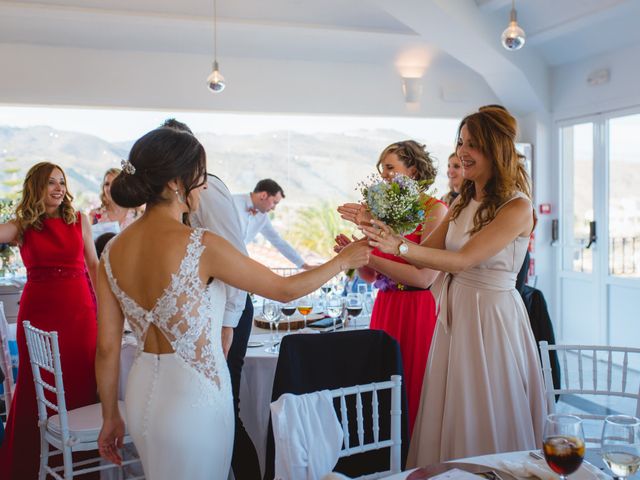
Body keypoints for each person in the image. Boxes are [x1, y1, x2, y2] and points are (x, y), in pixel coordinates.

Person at [95, 127, 370, 480]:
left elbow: (106, 348)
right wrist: (342, 261)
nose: (204, 186)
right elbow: (284, 290)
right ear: (177, 182)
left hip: (141, 394)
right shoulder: (201, 245)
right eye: (200, 176)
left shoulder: (113, 251)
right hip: (195, 399)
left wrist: (109, 417)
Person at [361, 107, 547, 464]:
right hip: (456, 312)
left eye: (473, 144)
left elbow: (462, 260)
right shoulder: (463, 202)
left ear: (496, 150)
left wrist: (396, 245)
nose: (463, 151)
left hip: (492, 317)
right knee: (453, 403)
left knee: (486, 402)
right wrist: (378, 232)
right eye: (461, 142)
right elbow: (422, 256)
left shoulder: (517, 208)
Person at [162, 116, 262, 479]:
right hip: (199, 313)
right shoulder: (170, 195)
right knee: (204, 409)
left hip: (227, 310)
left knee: (224, 408)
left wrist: (227, 324)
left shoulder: (208, 189)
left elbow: (235, 260)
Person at [335, 140, 447, 433]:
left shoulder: (436, 211)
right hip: (385, 307)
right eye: (381, 169)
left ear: (413, 169)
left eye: (389, 167)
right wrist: (355, 257)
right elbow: (373, 278)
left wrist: (369, 255)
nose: (383, 175)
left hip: (418, 310)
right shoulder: (384, 211)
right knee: (382, 387)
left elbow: (424, 278)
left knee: (413, 387)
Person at [0, 162, 99, 479]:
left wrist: (107, 307)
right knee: (39, 385)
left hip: (80, 311)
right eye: (50, 183)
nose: (58, 188)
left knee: (82, 378)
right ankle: (32, 463)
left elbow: (94, 266)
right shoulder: (23, 225)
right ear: (36, 188)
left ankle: (81, 467)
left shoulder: (79, 220)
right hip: (39, 313)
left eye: (62, 182)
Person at [233, 179, 314, 269]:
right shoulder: (232, 201)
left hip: (236, 263)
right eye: (274, 202)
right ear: (263, 195)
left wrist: (304, 265)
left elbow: (278, 241)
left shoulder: (263, 218)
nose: (274, 208)